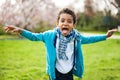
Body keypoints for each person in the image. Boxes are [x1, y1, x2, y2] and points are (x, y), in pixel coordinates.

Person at [4, 8, 118, 80]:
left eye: (69, 21)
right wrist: (20, 30)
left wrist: (105, 36)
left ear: (74, 25)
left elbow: (90, 39)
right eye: (62, 20)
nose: (65, 23)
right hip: (55, 72)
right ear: (57, 23)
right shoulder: (49, 35)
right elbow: (34, 37)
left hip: (69, 72)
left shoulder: (76, 38)